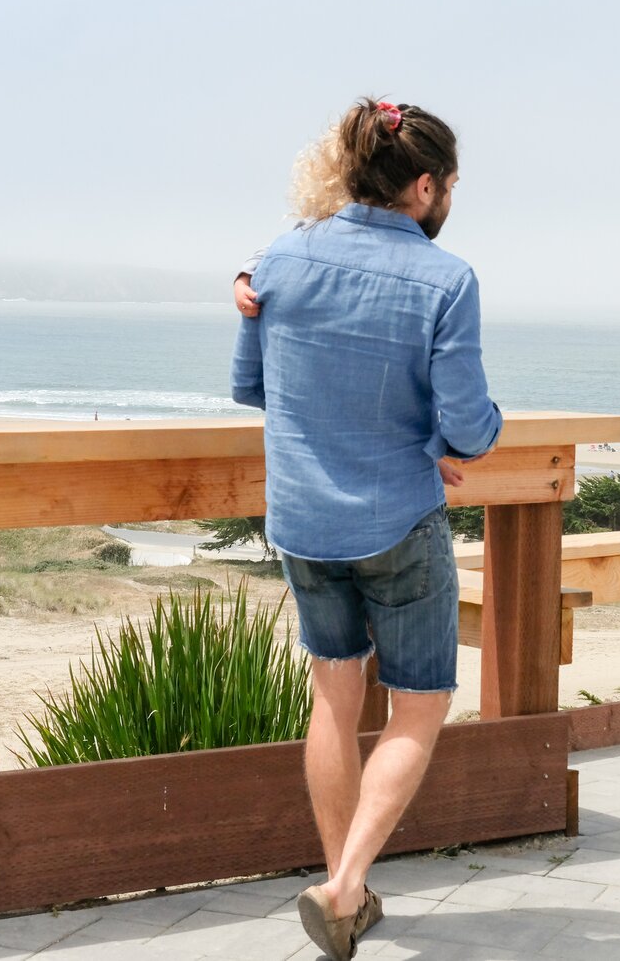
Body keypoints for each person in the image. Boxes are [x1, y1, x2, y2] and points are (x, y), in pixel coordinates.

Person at [231, 97, 500, 961]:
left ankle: (345, 895)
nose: (448, 197)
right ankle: (344, 884)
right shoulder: (446, 279)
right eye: (449, 183)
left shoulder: (278, 256)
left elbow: (255, 386)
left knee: (334, 699)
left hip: (303, 521)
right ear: (423, 185)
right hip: (397, 519)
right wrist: (450, 438)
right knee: (420, 706)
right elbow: (467, 424)